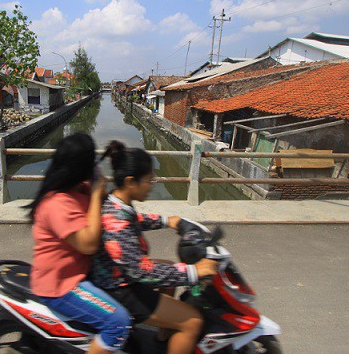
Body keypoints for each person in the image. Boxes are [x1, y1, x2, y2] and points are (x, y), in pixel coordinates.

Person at [90, 140, 218, 354]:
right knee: (193, 321)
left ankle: (163, 334)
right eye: (149, 180)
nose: (153, 184)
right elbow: (140, 270)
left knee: (168, 267)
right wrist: (194, 272)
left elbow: (134, 219)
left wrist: (169, 221)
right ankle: (176, 329)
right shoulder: (115, 221)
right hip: (120, 288)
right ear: (131, 182)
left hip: (120, 276)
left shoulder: (115, 201)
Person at [27, 133, 131, 354]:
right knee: (119, 322)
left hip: (81, 273)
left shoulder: (77, 188)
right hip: (61, 286)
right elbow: (89, 245)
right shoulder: (57, 204)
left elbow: (104, 198)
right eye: (91, 161)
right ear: (80, 167)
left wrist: (103, 171)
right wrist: (94, 193)